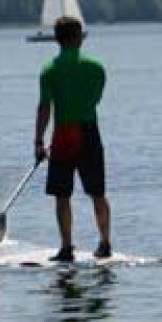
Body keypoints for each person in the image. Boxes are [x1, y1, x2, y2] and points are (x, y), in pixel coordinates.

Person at [35, 16, 111, 263]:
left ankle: (67, 247)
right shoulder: (97, 67)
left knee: (62, 195)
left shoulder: (49, 70)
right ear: (78, 38)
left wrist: (38, 142)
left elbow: (45, 108)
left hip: (63, 135)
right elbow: (95, 99)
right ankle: (105, 244)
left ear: (57, 39)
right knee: (97, 192)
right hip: (89, 132)